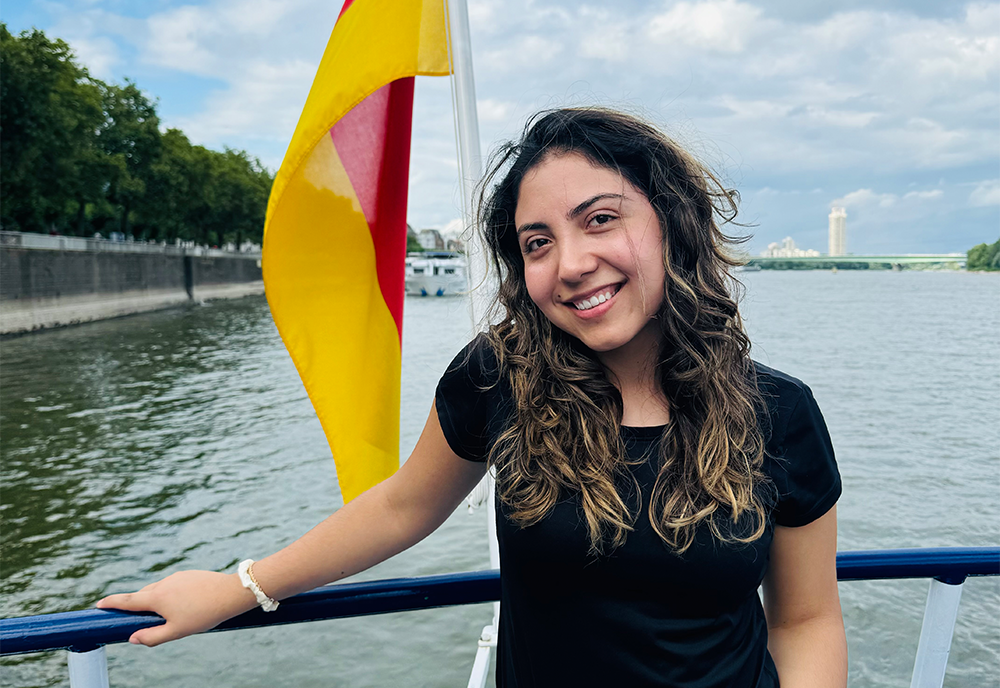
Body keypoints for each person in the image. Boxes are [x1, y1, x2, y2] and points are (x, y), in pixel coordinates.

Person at [98, 107, 847, 687]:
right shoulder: (500, 378)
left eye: (600, 219)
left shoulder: (778, 416)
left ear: (671, 223)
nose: (573, 263)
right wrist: (236, 588)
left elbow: (808, 619)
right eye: (537, 242)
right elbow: (402, 507)